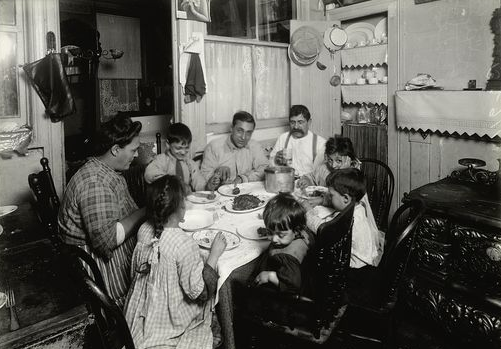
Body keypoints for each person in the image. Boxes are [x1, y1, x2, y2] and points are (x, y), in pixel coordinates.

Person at [124, 175, 227, 349]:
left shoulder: (144, 230)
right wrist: (213, 256)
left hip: (141, 311)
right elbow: (200, 293)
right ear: (180, 208)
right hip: (168, 321)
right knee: (209, 311)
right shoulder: (184, 244)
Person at [58, 116, 146, 307]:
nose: (137, 155)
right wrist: (143, 212)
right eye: (133, 150)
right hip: (99, 269)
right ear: (115, 150)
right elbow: (107, 240)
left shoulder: (104, 169)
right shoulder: (95, 183)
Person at [301, 168, 383, 269]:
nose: (329, 198)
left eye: (331, 195)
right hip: (362, 261)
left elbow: (322, 229)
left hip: (352, 270)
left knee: (308, 253)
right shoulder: (359, 206)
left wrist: (308, 210)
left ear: (346, 198)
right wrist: (323, 201)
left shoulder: (347, 220)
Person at [253, 193, 315, 294]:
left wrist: (270, 276)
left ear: (296, 230)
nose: (273, 239)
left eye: (281, 235)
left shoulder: (287, 257)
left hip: (289, 295)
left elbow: (293, 286)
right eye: (270, 232)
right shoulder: (302, 231)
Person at [201, 111, 268, 190]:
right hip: (221, 197)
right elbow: (204, 178)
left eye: (248, 133)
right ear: (231, 128)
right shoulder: (214, 147)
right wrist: (217, 174)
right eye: (240, 131)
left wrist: (244, 178)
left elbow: (265, 169)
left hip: (247, 193)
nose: (243, 137)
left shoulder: (255, 146)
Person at [144, 122, 207, 192]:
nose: (183, 152)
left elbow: (198, 181)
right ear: (168, 144)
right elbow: (149, 174)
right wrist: (175, 182)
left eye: (187, 148)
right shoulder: (161, 160)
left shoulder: (190, 164)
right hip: (167, 200)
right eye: (178, 148)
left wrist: (207, 187)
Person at [269, 105, 326, 177]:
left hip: (309, 184)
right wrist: (275, 160)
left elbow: (322, 172)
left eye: (300, 122)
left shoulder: (320, 143)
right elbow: (270, 165)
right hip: (287, 180)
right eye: (292, 122)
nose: (296, 127)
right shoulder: (283, 138)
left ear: (309, 122)